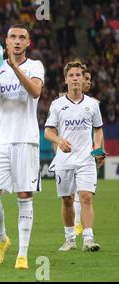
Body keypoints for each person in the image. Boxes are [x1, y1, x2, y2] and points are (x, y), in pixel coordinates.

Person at [0, 24, 45, 269]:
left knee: (24, 194)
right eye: (13, 37)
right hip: (0, 141)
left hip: (26, 139)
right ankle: (2, 239)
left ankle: (23, 254)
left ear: (28, 43)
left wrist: (14, 67)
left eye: (22, 37)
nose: (17, 41)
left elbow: (35, 91)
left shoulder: (35, 66)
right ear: (6, 42)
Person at [44, 61, 104, 252]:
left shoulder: (92, 105)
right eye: (71, 75)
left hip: (86, 160)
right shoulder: (57, 105)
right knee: (67, 200)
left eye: (78, 75)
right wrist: (59, 140)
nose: (75, 78)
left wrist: (98, 149)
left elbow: (98, 130)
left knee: (86, 197)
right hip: (64, 161)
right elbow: (48, 132)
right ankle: (70, 239)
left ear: (82, 78)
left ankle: (88, 239)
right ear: (66, 79)